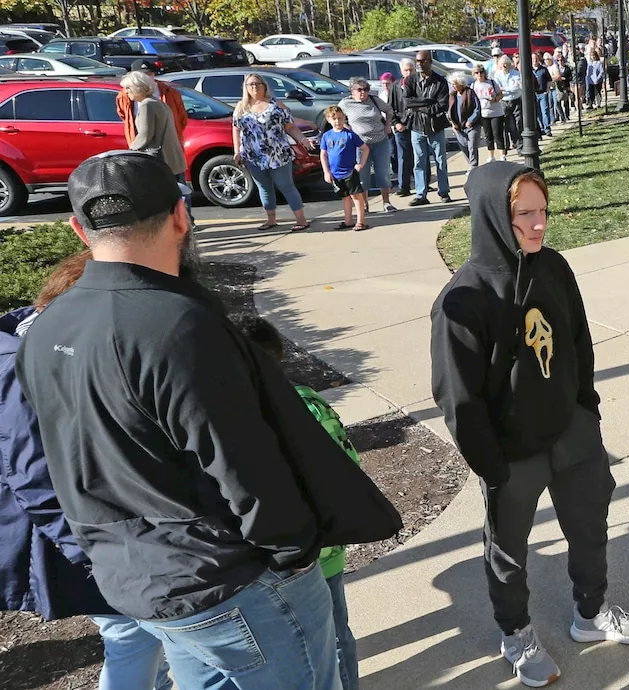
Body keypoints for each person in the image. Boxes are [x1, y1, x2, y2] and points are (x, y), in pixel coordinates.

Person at [15, 151, 401, 688]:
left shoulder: (42, 331)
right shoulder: (180, 325)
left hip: (137, 580)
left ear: (80, 230)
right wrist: (292, 554)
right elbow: (244, 464)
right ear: (180, 215)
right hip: (233, 583)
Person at [430, 162, 629, 688]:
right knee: (509, 551)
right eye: (523, 214)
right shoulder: (463, 300)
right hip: (511, 455)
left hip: (571, 434)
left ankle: (592, 614)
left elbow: (578, 343)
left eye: (543, 212)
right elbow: (457, 399)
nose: (538, 224)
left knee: (590, 528)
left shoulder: (553, 267)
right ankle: (516, 633)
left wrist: (587, 413)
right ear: (491, 216)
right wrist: (493, 467)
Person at [1, 252, 173, 690]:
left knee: (134, 633)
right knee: (136, 632)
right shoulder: (28, 369)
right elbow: (33, 478)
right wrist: (97, 556)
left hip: (85, 534)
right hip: (76, 539)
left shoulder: (39, 342)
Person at [244, 318, 362, 690]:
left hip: (292, 553)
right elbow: (350, 463)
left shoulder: (246, 414)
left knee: (321, 635)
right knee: (335, 629)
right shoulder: (309, 402)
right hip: (326, 545)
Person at [232, 73, 313, 232]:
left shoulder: (276, 105)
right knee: (264, 188)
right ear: (246, 88)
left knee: (286, 186)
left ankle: (301, 220)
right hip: (252, 155)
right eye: (250, 85)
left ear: (264, 86)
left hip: (278, 154)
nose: (254, 87)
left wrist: (302, 139)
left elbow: (290, 126)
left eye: (257, 84)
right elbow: (235, 129)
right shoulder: (241, 106)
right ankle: (271, 220)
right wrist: (237, 151)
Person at [121, 72, 189, 217]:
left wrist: (130, 150)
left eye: (128, 88)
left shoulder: (146, 106)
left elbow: (145, 135)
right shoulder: (158, 102)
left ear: (138, 87)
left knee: (162, 202)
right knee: (176, 199)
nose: (126, 92)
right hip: (172, 159)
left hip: (159, 160)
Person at [339, 78, 394, 215]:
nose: (363, 92)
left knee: (383, 173)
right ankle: (364, 205)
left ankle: (386, 202)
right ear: (352, 91)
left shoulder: (374, 100)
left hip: (380, 141)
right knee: (362, 176)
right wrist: (347, 129)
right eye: (359, 90)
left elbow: (389, 110)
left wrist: (388, 124)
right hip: (360, 144)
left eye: (366, 89)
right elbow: (335, 116)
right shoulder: (346, 103)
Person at [405, 51, 452, 205]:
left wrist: (421, 106)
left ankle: (444, 192)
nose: (419, 64)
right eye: (417, 61)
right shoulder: (411, 80)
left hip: (435, 127)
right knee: (419, 162)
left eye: (422, 61)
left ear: (430, 61)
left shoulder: (440, 81)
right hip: (417, 127)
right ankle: (421, 195)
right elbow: (407, 102)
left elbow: (442, 105)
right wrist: (427, 102)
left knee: (440, 161)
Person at [320, 106, 370, 232]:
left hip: (349, 172)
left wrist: (360, 164)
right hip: (335, 173)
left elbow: (365, 149)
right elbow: (323, 154)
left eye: (340, 118)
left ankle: (360, 221)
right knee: (345, 197)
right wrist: (326, 171)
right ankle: (348, 221)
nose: (337, 121)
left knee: (356, 196)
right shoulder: (326, 136)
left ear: (344, 118)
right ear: (328, 119)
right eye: (334, 118)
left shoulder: (350, 135)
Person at [115, 60, 187, 146]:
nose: (147, 77)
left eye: (150, 74)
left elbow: (181, 118)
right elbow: (124, 115)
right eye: (142, 75)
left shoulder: (169, 93)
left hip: (165, 143)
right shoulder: (125, 95)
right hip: (139, 142)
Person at [389, 57, 416, 198]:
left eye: (411, 69)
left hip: (418, 125)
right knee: (403, 157)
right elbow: (390, 108)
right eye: (406, 70)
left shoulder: (420, 84)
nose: (409, 72)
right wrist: (396, 123)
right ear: (401, 71)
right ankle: (403, 187)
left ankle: (422, 184)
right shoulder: (395, 86)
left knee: (419, 156)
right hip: (401, 126)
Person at [443, 71, 481, 170]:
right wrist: (452, 123)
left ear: (461, 83)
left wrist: (471, 120)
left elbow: (477, 108)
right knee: (464, 147)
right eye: (452, 84)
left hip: (472, 126)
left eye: (455, 84)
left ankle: (473, 167)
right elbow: (448, 111)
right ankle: (471, 164)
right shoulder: (452, 95)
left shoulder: (470, 92)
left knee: (472, 147)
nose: (453, 86)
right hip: (458, 127)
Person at [473, 64, 509, 163]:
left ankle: (502, 155)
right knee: (488, 136)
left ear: (485, 73)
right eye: (477, 73)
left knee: (498, 134)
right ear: (474, 74)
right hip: (483, 114)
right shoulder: (473, 85)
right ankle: (491, 156)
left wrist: (495, 99)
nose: (479, 74)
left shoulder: (491, 83)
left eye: (481, 72)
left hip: (496, 113)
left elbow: (500, 94)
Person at [493, 55, 524, 146]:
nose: (504, 66)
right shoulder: (497, 75)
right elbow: (498, 89)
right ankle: (507, 145)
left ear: (509, 64)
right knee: (506, 124)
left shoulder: (516, 73)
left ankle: (519, 144)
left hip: (516, 100)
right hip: (504, 101)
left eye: (505, 64)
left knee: (518, 123)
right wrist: (509, 88)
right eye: (502, 64)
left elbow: (517, 87)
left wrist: (505, 89)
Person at [532, 52, 554, 137]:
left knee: (545, 111)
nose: (535, 60)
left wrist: (547, 90)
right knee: (537, 113)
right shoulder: (529, 70)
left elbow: (549, 80)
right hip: (534, 94)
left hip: (543, 93)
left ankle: (547, 129)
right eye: (533, 59)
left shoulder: (543, 69)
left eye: (536, 58)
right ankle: (540, 129)